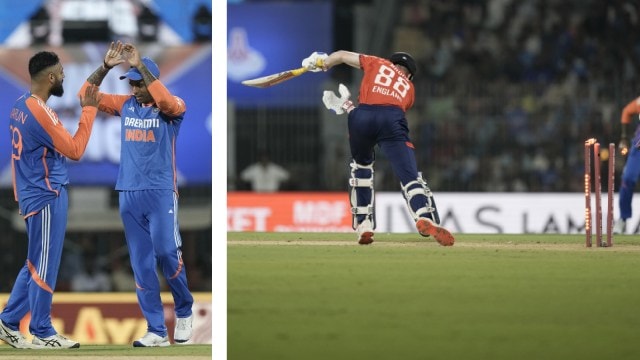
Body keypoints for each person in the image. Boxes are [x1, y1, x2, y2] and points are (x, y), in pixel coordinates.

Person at [77, 41, 194, 347]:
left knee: (168, 253)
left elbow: (166, 102)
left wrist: (141, 65)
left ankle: (184, 310)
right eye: (129, 84)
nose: (133, 90)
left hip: (160, 192)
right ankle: (156, 330)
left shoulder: (173, 109)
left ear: (149, 81)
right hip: (129, 192)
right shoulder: (125, 105)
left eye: (138, 85)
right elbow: (83, 96)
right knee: (142, 265)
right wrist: (104, 67)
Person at [0, 51, 101, 349]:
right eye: (61, 72)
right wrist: (90, 111)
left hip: (35, 192)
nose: (64, 77)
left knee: (34, 263)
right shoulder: (38, 112)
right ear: (51, 78)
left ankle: (7, 322)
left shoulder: (21, 104)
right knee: (45, 265)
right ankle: (42, 330)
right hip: (46, 193)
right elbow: (75, 150)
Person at [302, 50, 454, 246]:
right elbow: (386, 109)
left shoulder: (377, 63)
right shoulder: (409, 88)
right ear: (409, 74)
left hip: (361, 116)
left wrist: (324, 63)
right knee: (409, 176)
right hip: (392, 119)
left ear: (390, 62)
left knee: (361, 169)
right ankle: (424, 215)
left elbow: (340, 55)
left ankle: (364, 224)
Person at [613, 96, 640, 234]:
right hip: (638, 148)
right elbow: (626, 112)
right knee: (627, 179)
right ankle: (623, 219)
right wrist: (624, 137)